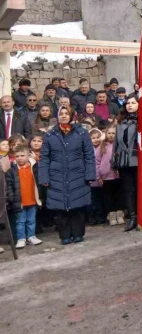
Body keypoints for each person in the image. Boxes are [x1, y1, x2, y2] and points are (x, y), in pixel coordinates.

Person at [38, 105, 97, 245]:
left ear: (71, 116)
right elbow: (44, 158)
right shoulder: (50, 135)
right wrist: (44, 177)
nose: (63, 116)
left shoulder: (81, 133)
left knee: (77, 206)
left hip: (78, 174)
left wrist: (90, 174)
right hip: (57, 176)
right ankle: (64, 235)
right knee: (61, 207)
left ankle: (78, 234)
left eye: (66, 113)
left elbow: (89, 155)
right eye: (61, 113)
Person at [113, 96, 139, 232]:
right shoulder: (120, 122)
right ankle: (133, 218)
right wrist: (114, 161)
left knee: (140, 189)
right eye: (128, 103)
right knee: (128, 190)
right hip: (124, 161)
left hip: (138, 160)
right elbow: (116, 143)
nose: (130, 105)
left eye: (133, 103)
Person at [11, 145, 43, 248]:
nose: (19, 158)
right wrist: (12, 199)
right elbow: (10, 185)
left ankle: (31, 236)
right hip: (20, 201)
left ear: (28, 155)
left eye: (22, 155)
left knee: (31, 220)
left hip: (32, 199)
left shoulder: (34, 167)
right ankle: (21, 238)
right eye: (17, 156)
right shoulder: (12, 170)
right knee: (20, 221)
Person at [94, 125, 122, 226]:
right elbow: (97, 162)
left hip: (118, 175)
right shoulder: (102, 146)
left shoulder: (119, 145)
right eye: (109, 133)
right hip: (106, 176)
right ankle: (112, 215)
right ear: (106, 134)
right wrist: (98, 176)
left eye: (113, 133)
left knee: (118, 195)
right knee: (108, 196)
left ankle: (119, 214)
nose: (111, 135)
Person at [87, 129, 108, 226]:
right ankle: (91, 216)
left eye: (97, 137)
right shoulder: (87, 150)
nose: (96, 140)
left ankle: (101, 215)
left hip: (101, 177)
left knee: (101, 198)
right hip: (91, 178)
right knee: (92, 199)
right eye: (93, 138)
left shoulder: (103, 148)